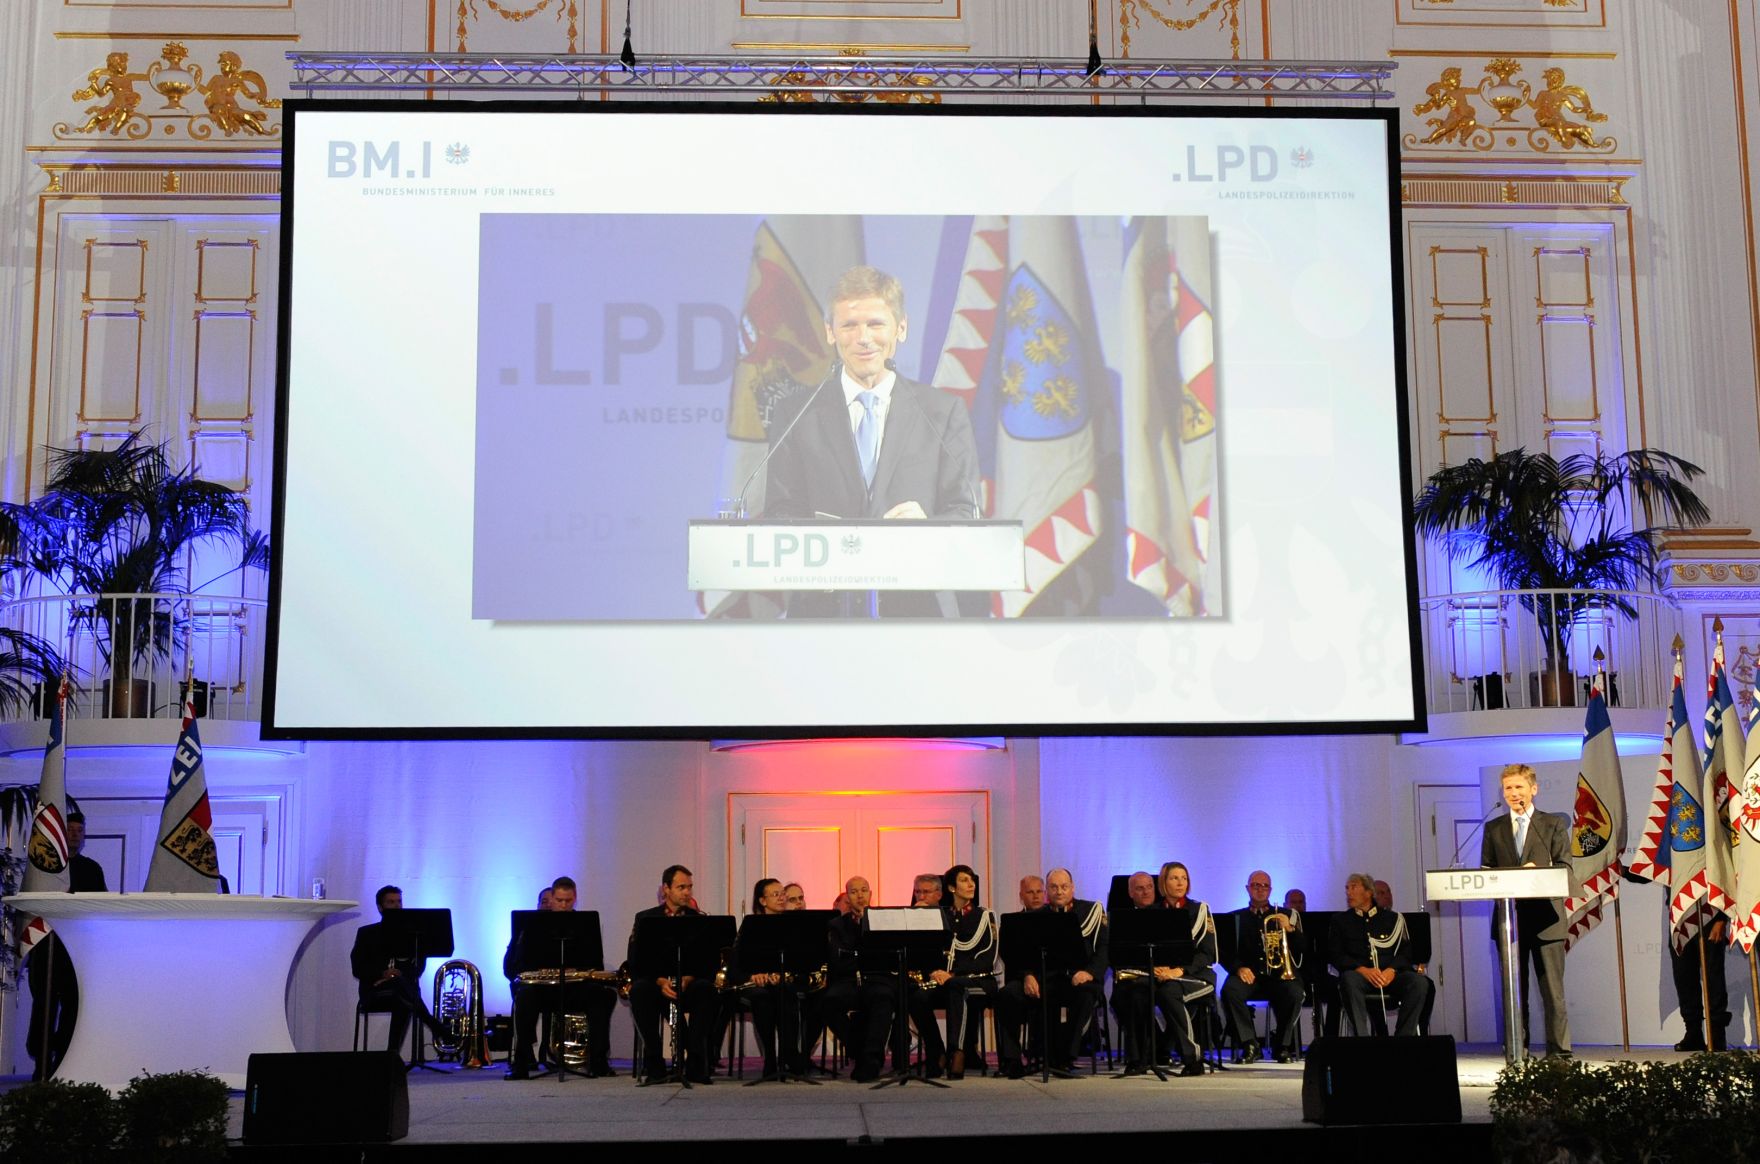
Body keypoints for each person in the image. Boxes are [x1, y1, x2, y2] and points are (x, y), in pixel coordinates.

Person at [761, 265, 981, 618]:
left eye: (876, 324)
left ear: (901, 328)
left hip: (920, 611)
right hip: (824, 612)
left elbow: (966, 511)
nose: (863, 338)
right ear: (830, 332)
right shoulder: (796, 414)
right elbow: (780, 511)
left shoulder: (942, 412)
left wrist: (928, 528)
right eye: (849, 325)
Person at [1481, 762, 1572, 1057]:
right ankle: (1517, 1052)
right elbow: (1487, 871)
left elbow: (1565, 868)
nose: (1513, 793)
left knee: (1553, 994)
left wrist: (1540, 870)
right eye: (1508, 788)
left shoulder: (1552, 824)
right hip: (1510, 922)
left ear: (1534, 789)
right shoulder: (1493, 828)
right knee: (1513, 995)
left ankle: (1559, 1056)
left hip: (1547, 921)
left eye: (1519, 787)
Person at [996, 868, 1106, 1077]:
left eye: (1064, 887)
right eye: (1054, 887)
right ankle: (1012, 1059)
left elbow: (1103, 948)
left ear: (1072, 888)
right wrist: (1027, 975)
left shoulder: (1091, 911)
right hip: (1045, 978)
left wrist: (1089, 972)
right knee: (1007, 995)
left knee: (1085, 994)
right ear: (1048, 891)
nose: (1059, 891)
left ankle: (1064, 1057)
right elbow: (1024, 953)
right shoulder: (1039, 916)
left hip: (1078, 978)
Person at [505, 876, 616, 1079]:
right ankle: (521, 1063)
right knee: (525, 996)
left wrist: (578, 969)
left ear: (575, 898)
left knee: (602, 995)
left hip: (574, 988)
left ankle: (598, 1061)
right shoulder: (531, 925)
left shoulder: (585, 925)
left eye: (568, 901)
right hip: (543, 989)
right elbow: (515, 966)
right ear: (552, 898)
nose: (564, 905)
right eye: (559, 901)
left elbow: (595, 964)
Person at [25, 811, 107, 1079]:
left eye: (79, 831)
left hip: (77, 951)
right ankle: (42, 1065)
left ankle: (64, 1062)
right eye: (70, 830)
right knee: (43, 1007)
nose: (75, 835)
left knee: (74, 1007)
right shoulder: (45, 866)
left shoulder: (92, 869)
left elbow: (100, 908)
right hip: (47, 949)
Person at [628, 865, 719, 1083]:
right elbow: (636, 961)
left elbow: (708, 962)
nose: (687, 892)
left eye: (689, 887)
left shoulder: (698, 919)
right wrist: (660, 981)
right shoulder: (645, 919)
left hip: (688, 983)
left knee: (707, 990)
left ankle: (696, 1063)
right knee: (640, 991)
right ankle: (655, 1064)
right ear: (665, 889)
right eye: (681, 887)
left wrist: (689, 977)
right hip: (657, 984)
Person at [349, 885, 448, 1063]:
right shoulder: (367, 933)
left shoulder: (413, 935)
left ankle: (391, 1057)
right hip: (374, 991)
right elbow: (357, 967)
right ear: (380, 907)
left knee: (401, 995)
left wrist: (398, 975)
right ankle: (435, 1026)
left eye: (399, 902)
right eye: (391, 902)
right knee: (405, 994)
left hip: (401, 991)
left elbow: (418, 968)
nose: (397, 906)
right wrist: (382, 974)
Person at [1329, 872, 1434, 1037]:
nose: (1348, 892)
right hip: (1360, 977)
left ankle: (1403, 1040)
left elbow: (1405, 952)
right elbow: (1336, 955)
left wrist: (1391, 970)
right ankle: (1362, 1041)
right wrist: (1363, 970)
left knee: (1419, 983)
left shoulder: (1393, 919)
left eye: (1354, 887)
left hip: (1389, 976)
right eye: (1347, 888)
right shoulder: (1340, 921)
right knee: (1348, 980)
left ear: (1369, 892)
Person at [1220, 870, 1304, 1063]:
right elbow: (1224, 952)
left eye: (1265, 886)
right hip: (1249, 976)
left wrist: (1290, 930)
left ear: (1271, 889)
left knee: (1295, 993)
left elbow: (1302, 950)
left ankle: (1281, 1045)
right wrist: (1238, 968)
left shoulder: (1286, 915)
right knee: (1230, 991)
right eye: (1256, 885)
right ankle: (1249, 1044)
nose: (1260, 889)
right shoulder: (1235, 917)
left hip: (1278, 975)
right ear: (1247, 888)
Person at [822, 874, 896, 1081]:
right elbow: (838, 959)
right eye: (854, 892)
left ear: (871, 894)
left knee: (884, 997)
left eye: (864, 890)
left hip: (877, 979)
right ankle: (859, 1050)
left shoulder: (884, 920)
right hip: (848, 980)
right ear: (847, 897)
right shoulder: (836, 925)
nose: (860, 896)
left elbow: (886, 956)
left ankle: (871, 1060)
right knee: (828, 1002)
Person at [933, 864, 997, 1080]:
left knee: (956, 987)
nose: (971, 885)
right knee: (916, 997)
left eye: (972, 880)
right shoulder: (941, 916)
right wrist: (936, 972)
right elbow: (932, 952)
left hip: (980, 981)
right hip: (946, 981)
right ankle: (937, 1050)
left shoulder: (985, 916)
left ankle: (957, 1052)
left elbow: (988, 958)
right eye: (964, 880)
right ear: (951, 888)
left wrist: (952, 974)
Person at [1672, 915, 1731, 1051]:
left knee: (1713, 977)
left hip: (1710, 915)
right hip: (1680, 914)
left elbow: (1723, 892)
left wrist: (1721, 919)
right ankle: (1693, 1033)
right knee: (1684, 976)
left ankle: (1716, 1034)